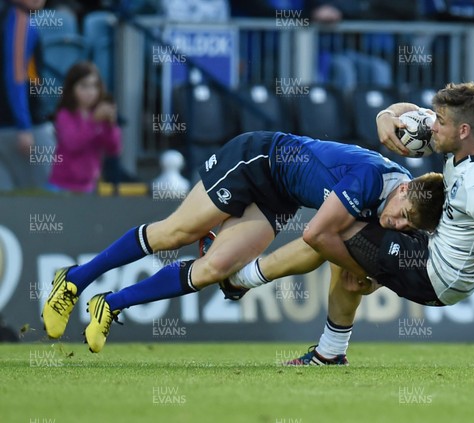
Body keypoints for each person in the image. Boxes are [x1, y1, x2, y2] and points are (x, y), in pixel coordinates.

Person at [41, 130, 444, 352]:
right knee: (176, 233)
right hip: (255, 159)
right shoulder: (371, 181)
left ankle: (109, 305)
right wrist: (365, 271)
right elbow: (316, 237)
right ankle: (74, 280)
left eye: (406, 227)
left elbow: (333, 249)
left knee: (213, 270)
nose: (395, 223)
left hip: (279, 197)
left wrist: (368, 274)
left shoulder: (393, 203)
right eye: (402, 214)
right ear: (406, 189)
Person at [224, 82, 474, 370]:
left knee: (334, 229)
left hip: (436, 278)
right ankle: (330, 352)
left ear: (463, 129)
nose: (432, 125)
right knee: (345, 243)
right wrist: (386, 115)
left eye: (440, 122)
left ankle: (240, 279)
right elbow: (412, 113)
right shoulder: (469, 140)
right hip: (431, 247)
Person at [0, 0, 55, 191]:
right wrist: (24, 126)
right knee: (45, 198)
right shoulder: (19, 20)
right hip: (20, 127)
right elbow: (15, 76)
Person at [47, 62, 121, 193]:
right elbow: (73, 143)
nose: (90, 92)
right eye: (84, 86)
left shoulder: (98, 114)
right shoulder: (65, 114)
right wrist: (94, 122)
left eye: (94, 86)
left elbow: (113, 149)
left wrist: (111, 126)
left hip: (89, 187)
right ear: (72, 88)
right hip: (61, 187)